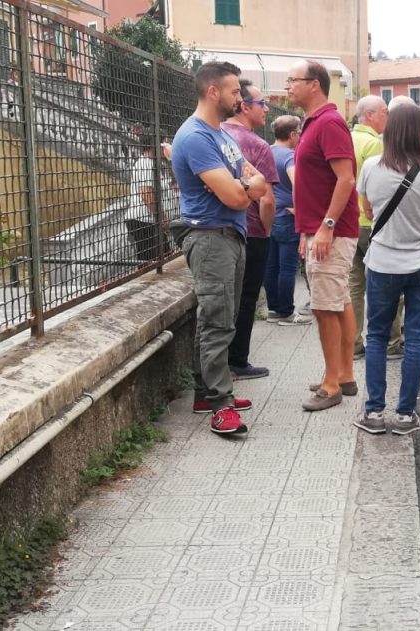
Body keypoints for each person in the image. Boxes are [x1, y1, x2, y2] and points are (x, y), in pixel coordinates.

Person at [171, 61, 269, 434]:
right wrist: (242, 190)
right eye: (233, 92)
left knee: (218, 319)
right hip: (210, 237)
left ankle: (206, 392)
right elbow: (238, 194)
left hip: (230, 235)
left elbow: (255, 184)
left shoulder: (223, 137)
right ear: (213, 92)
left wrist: (242, 190)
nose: (239, 99)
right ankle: (220, 405)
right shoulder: (196, 137)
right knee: (217, 321)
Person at [354, 103, 420, 435]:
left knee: (378, 335)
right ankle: (407, 415)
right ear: (419, 133)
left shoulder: (370, 167)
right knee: (416, 336)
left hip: (382, 263)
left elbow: (367, 210)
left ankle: (374, 413)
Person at [287, 59, 360, 413]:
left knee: (324, 306)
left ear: (313, 84)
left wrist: (326, 227)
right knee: (337, 301)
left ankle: (331, 384)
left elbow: (345, 179)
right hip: (322, 230)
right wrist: (308, 230)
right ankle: (343, 374)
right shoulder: (315, 122)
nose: (288, 86)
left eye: (293, 81)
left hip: (332, 231)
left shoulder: (329, 122)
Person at [222, 79, 280, 380]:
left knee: (222, 300)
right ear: (245, 106)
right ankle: (238, 361)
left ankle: (220, 363)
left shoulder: (214, 136)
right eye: (262, 103)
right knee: (246, 299)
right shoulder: (258, 145)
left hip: (221, 230)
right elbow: (267, 200)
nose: (267, 108)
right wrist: (267, 231)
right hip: (253, 232)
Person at [350, 95, 404, 360]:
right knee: (386, 286)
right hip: (372, 225)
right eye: (385, 111)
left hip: (348, 225)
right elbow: (380, 188)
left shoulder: (347, 139)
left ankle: (353, 344)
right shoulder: (374, 145)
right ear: (370, 115)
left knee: (354, 287)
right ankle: (391, 342)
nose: (388, 116)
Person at [264, 114, 310, 325]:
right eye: (299, 132)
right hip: (288, 217)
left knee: (271, 265)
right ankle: (287, 312)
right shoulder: (289, 157)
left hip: (270, 214)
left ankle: (273, 309)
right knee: (288, 267)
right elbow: (299, 184)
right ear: (292, 134)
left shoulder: (266, 152)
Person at [124, 131, 172, 262]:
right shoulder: (145, 164)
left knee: (164, 258)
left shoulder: (157, 165)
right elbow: (146, 193)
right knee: (154, 260)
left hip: (152, 221)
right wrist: (162, 218)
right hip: (144, 221)